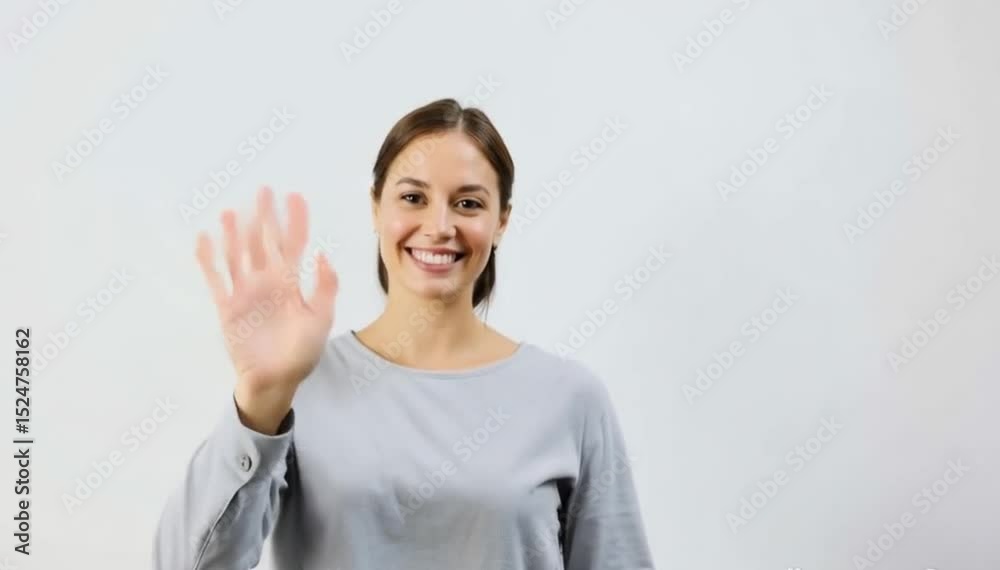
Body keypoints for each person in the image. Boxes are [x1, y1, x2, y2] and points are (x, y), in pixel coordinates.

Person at [152, 98, 655, 569]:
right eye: (413, 197)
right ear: (376, 208)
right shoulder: (299, 385)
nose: (439, 226)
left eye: (468, 203)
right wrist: (262, 396)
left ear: (501, 221)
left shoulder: (569, 399)